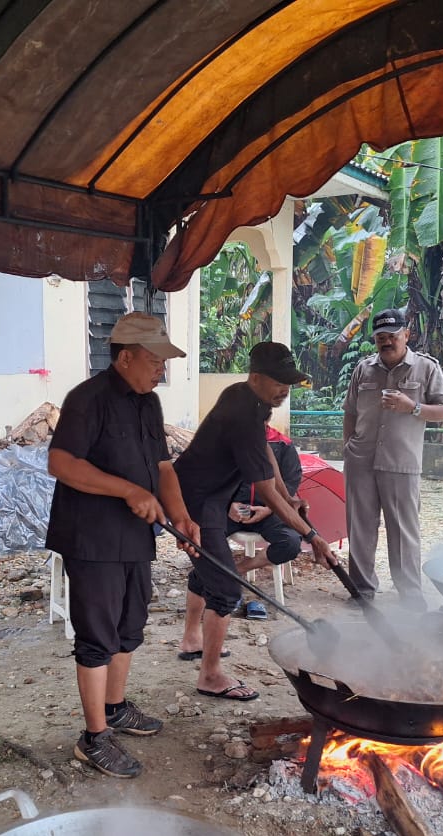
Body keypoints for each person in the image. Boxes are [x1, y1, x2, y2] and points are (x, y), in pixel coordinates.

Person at [47, 312, 200, 779]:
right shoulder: (86, 400)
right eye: (155, 360)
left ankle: (114, 708)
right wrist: (128, 491)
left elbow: (163, 469)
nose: (162, 370)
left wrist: (182, 516)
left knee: (130, 623)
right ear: (126, 357)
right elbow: (60, 463)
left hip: (135, 537)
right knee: (97, 634)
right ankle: (93, 738)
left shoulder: (147, 404)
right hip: (91, 537)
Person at [175, 342, 335, 700]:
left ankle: (192, 639)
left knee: (212, 571)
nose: (285, 389)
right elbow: (266, 493)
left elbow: (267, 459)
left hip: (211, 496)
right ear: (256, 377)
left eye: (289, 382)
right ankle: (211, 676)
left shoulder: (246, 399)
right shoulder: (243, 414)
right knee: (227, 587)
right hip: (197, 502)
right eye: (279, 381)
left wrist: (290, 495)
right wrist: (313, 536)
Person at [342, 308, 443, 608]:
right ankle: (362, 592)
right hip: (361, 461)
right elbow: (350, 412)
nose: (386, 342)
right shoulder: (363, 369)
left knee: (404, 532)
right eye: (380, 337)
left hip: (401, 462)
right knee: (360, 528)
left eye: (392, 336)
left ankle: (410, 596)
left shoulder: (426, 369)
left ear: (407, 334)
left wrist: (412, 407)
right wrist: (348, 447)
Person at [182, 415, 304, 633]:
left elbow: (290, 484)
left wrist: (269, 508)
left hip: (269, 512)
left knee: (292, 542)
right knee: (205, 545)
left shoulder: (283, 445)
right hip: (230, 511)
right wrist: (229, 504)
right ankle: (207, 579)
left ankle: (237, 569)